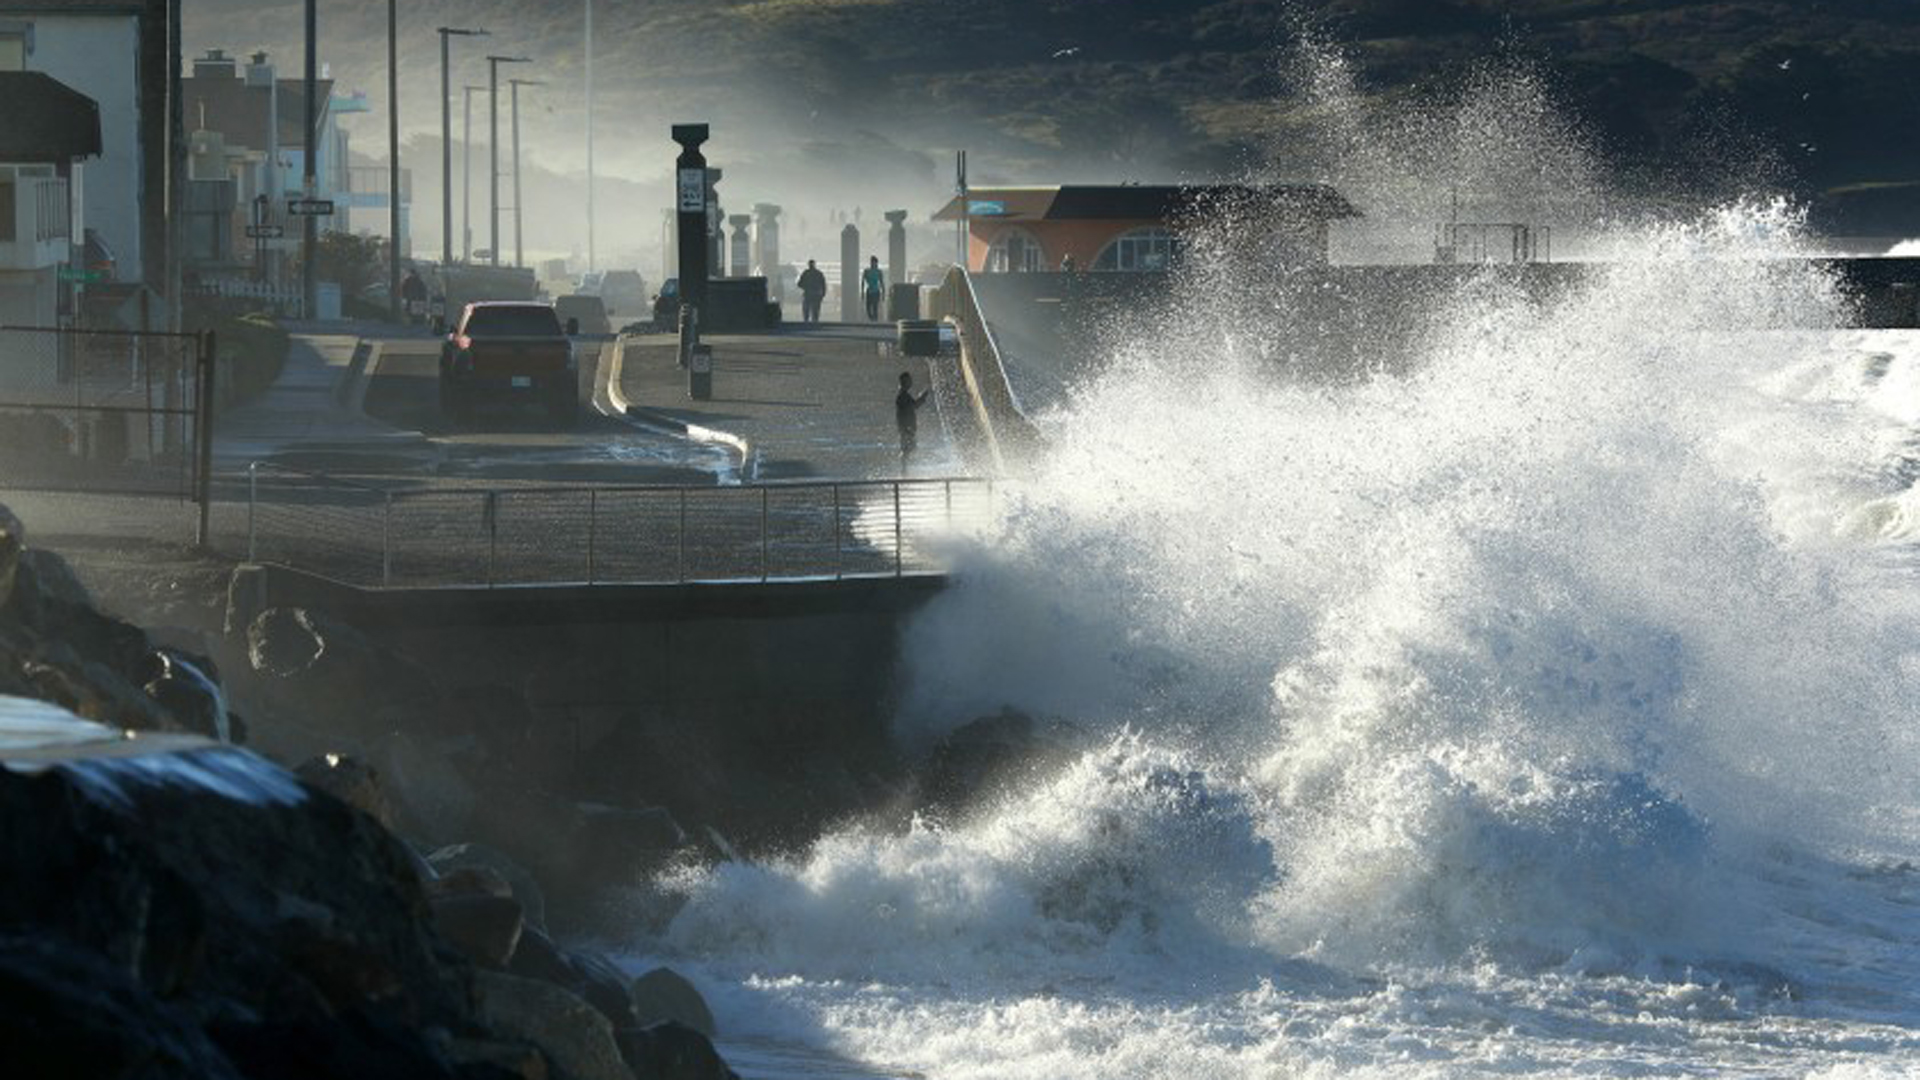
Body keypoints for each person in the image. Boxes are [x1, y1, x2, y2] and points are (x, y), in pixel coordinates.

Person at [895, 370, 930, 468]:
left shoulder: (904, 394)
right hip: (906, 429)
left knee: (910, 449)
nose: (911, 382)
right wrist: (923, 397)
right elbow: (914, 406)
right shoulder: (903, 396)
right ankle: (904, 472)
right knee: (907, 451)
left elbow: (913, 406)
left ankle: (905, 470)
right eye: (909, 380)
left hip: (906, 428)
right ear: (904, 382)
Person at [862, 256, 885, 322]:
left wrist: (883, 293)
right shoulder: (867, 271)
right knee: (868, 308)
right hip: (869, 291)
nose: (874, 264)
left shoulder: (879, 272)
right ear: (871, 263)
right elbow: (863, 282)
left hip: (876, 291)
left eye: (875, 263)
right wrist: (862, 292)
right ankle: (872, 319)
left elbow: (881, 282)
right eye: (872, 262)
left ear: (876, 263)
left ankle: (875, 321)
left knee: (875, 307)